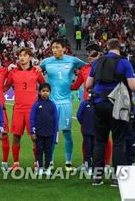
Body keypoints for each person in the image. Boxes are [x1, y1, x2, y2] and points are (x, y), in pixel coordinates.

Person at [86, 38, 135, 186]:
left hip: (99, 103)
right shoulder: (123, 62)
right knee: (118, 140)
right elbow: (133, 86)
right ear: (119, 48)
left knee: (100, 140)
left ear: (107, 48)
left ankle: (97, 177)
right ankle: (117, 178)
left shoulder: (97, 62)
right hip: (118, 104)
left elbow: (88, 84)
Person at [40, 38, 86, 171]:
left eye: (57, 47)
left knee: (66, 132)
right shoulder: (46, 62)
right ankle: (50, 160)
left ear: (64, 48)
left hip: (66, 102)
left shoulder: (72, 60)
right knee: (51, 132)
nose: (54, 50)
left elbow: (88, 67)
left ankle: (68, 162)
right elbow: (35, 70)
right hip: (51, 103)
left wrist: (77, 84)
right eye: (53, 47)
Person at [71, 43, 112, 169]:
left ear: (99, 53)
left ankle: (106, 164)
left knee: (105, 135)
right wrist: (59, 85)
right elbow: (76, 86)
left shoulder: (107, 66)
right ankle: (86, 162)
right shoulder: (84, 69)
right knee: (86, 134)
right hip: (87, 106)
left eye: (92, 52)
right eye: (88, 53)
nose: (89, 55)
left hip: (102, 103)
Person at [4, 47, 45, 170]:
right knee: (16, 137)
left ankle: (37, 162)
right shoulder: (13, 72)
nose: (22, 57)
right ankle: (15, 163)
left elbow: (43, 86)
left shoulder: (36, 72)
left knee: (34, 137)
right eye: (20, 55)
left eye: (25, 55)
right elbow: (5, 87)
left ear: (30, 57)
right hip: (18, 109)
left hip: (33, 110)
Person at [30, 83, 58, 176]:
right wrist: (32, 132)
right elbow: (32, 118)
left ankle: (48, 168)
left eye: (47, 91)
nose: (45, 93)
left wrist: (56, 135)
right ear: (39, 92)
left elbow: (55, 119)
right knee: (39, 151)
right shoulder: (36, 104)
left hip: (50, 133)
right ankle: (40, 168)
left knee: (48, 151)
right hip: (39, 133)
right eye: (43, 91)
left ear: (50, 92)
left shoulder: (52, 105)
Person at [76, 97, 95, 175]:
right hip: (86, 131)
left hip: (96, 131)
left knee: (95, 149)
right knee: (88, 149)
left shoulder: (98, 103)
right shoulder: (84, 103)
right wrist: (84, 124)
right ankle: (88, 167)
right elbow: (79, 115)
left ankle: (95, 167)